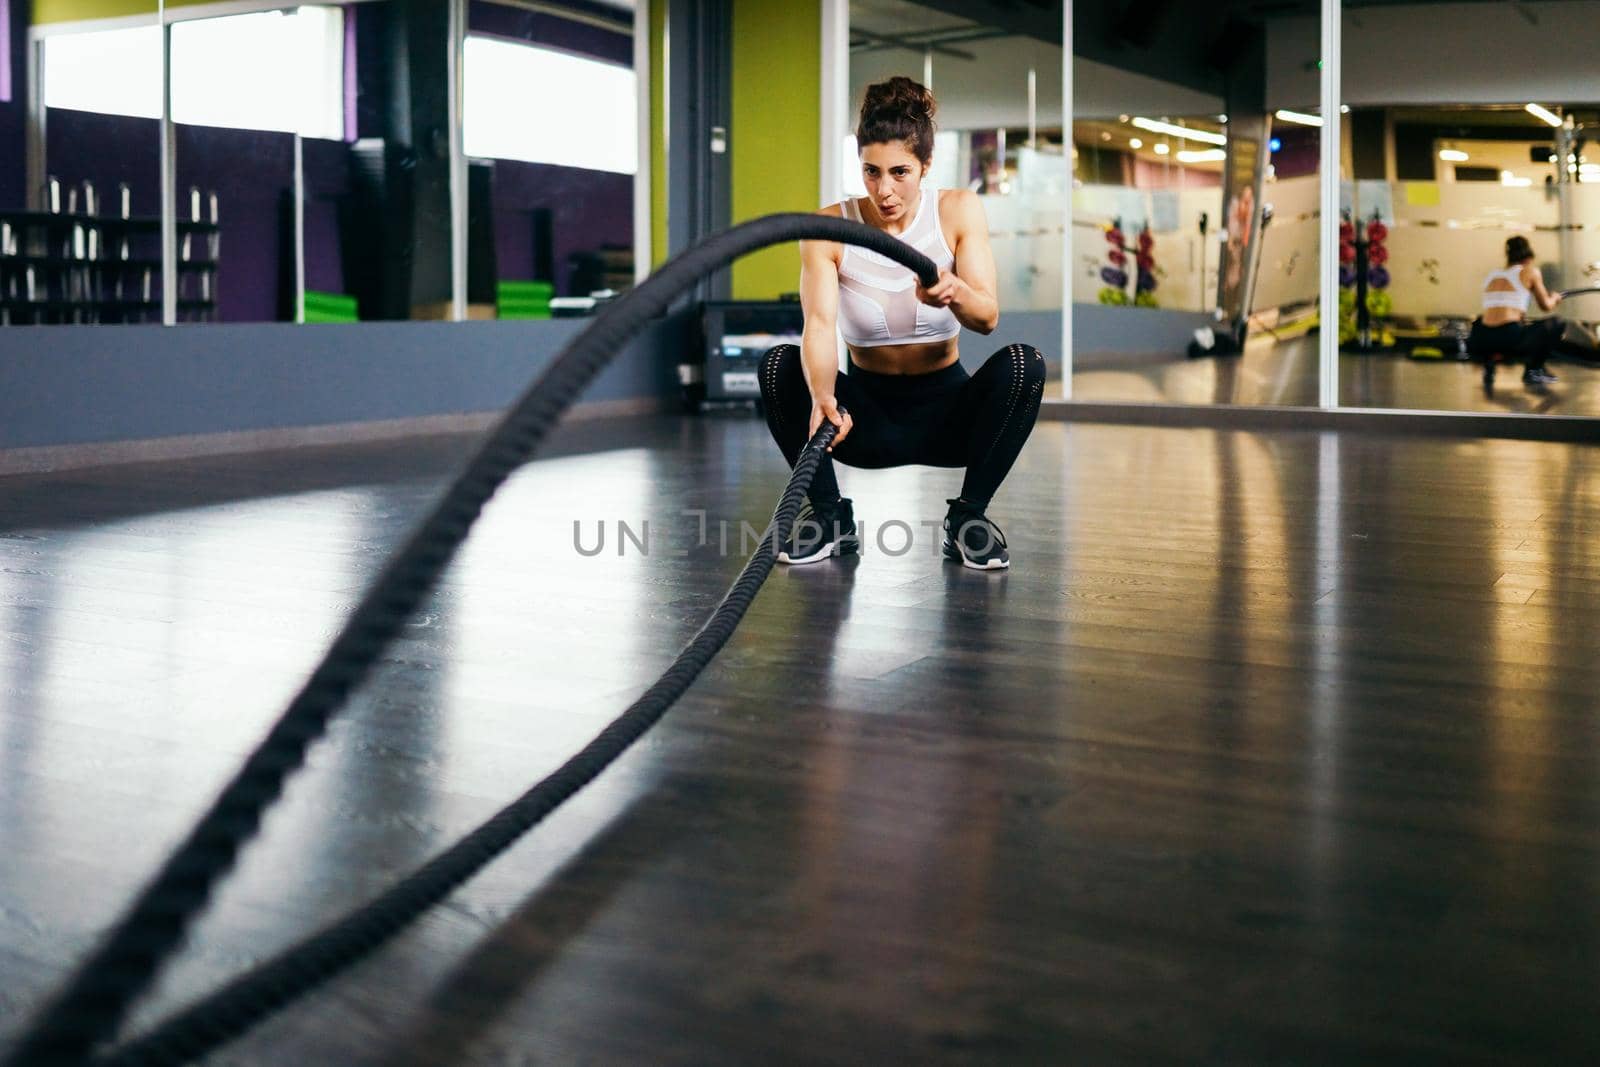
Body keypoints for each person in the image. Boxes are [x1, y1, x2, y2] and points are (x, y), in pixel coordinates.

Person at [757, 76, 1046, 571]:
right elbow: (820, 326)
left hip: (948, 417)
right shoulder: (829, 227)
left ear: (925, 166)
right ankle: (830, 518)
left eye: (899, 172)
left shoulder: (956, 210)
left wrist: (951, 290)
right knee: (777, 364)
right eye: (871, 171)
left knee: (1025, 365)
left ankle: (969, 520)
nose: (884, 189)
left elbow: (988, 319)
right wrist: (824, 397)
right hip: (863, 420)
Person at [1468, 235, 1563, 389]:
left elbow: (1501, 305)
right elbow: (1546, 305)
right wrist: (1555, 298)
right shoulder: (1530, 271)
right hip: (1508, 337)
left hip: (1480, 338)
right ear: (1528, 256)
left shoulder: (1493, 275)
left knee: (1494, 324)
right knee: (1556, 322)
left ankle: (1489, 363)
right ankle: (1534, 370)